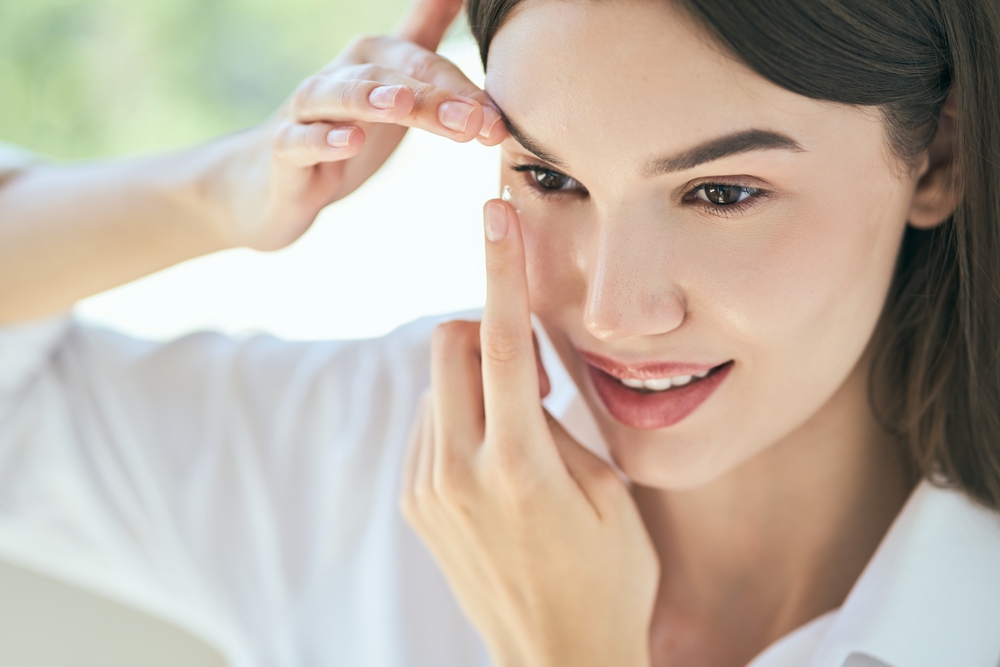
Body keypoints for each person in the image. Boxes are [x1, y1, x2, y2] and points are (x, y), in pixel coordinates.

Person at [1, 0, 999, 666]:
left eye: (723, 192)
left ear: (936, 156)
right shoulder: (378, 449)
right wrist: (220, 193)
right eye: (550, 178)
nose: (613, 309)